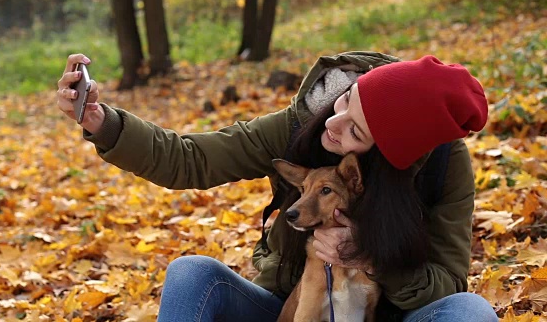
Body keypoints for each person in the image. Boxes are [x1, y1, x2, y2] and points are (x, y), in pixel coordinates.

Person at [56, 51, 498, 322]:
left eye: (356, 132)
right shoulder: (304, 122)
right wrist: (102, 122)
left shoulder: (443, 166)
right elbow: (191, 159)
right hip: (290, 308)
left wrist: (373, 259)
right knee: (192, 274)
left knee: (472, 312)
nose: (333, 123)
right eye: (347, 101)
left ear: (388, 155)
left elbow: (450, 284)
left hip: (389, 313)